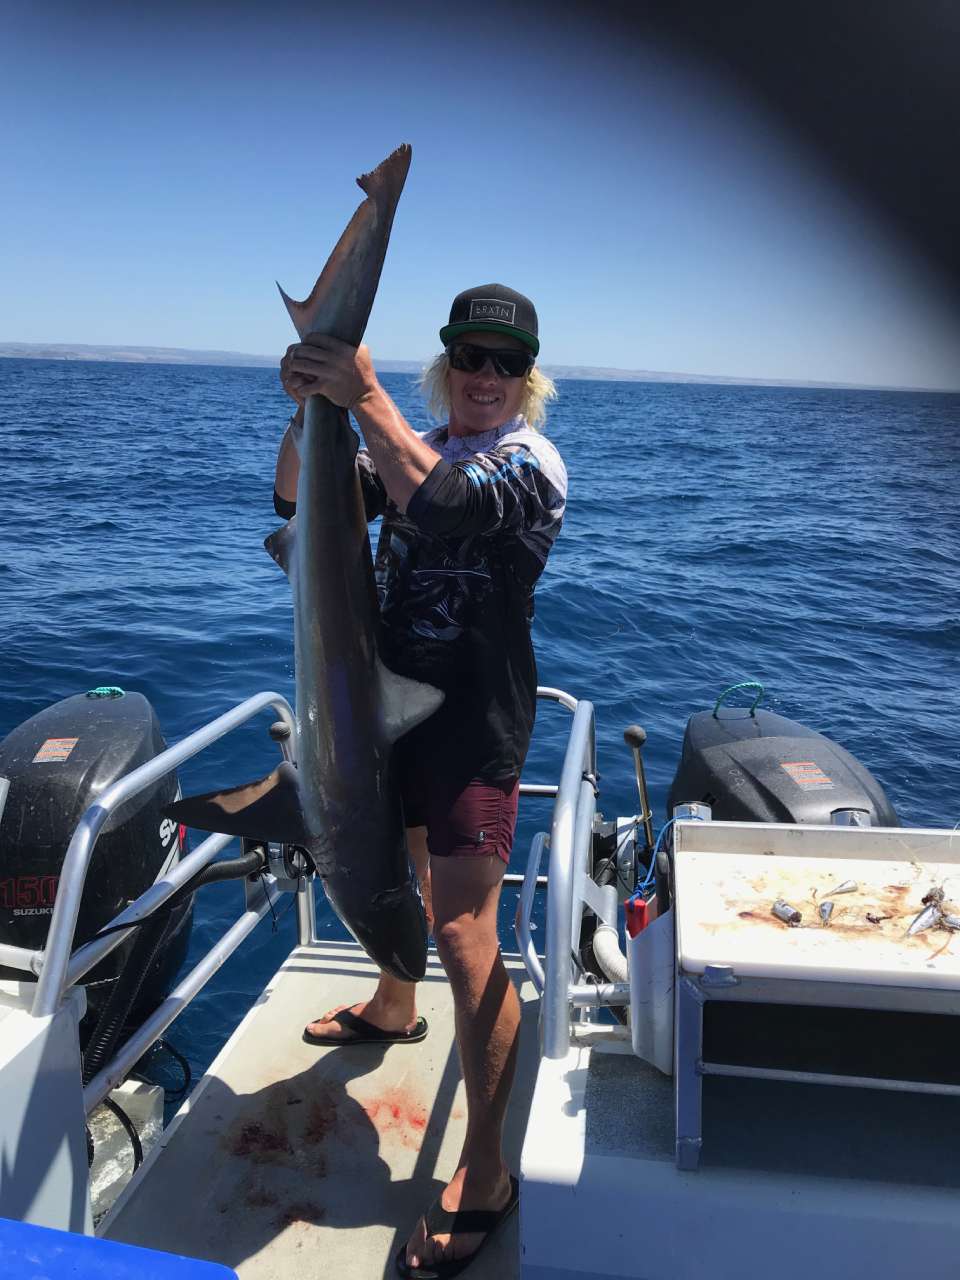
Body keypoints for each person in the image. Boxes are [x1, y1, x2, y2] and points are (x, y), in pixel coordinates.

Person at [275, 284, 567, 1278]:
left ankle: (486, 1174)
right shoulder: (403, 434)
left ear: (527, 379)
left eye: (505, 363)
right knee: (391, 868)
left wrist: (358, 395)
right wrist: (306, 399)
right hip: (382, 708)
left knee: (462, 927)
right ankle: (396, 1005)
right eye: (471, 357)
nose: (486, 376)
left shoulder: (531, 466)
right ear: (447, 362)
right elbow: (295, 500)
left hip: (473, 726)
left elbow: (439, 508)